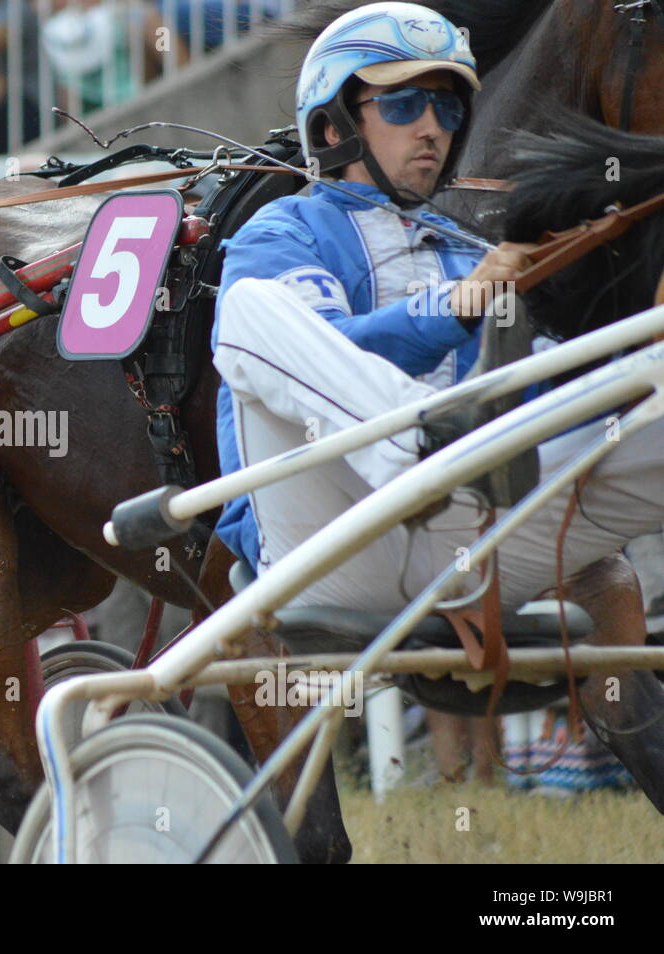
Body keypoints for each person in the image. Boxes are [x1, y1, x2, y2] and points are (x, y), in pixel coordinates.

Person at [211, 2, 663, 809]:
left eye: (449, 107)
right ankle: (418, 445)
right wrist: (459, 305)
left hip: (472, 537)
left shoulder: (474, 251)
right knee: (251, 310)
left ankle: (438, 454)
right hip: (330, 541)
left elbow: (553, 396)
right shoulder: (285, 231)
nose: (432, 127)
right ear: (334, 121)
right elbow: (326, 351)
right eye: (401, 103)